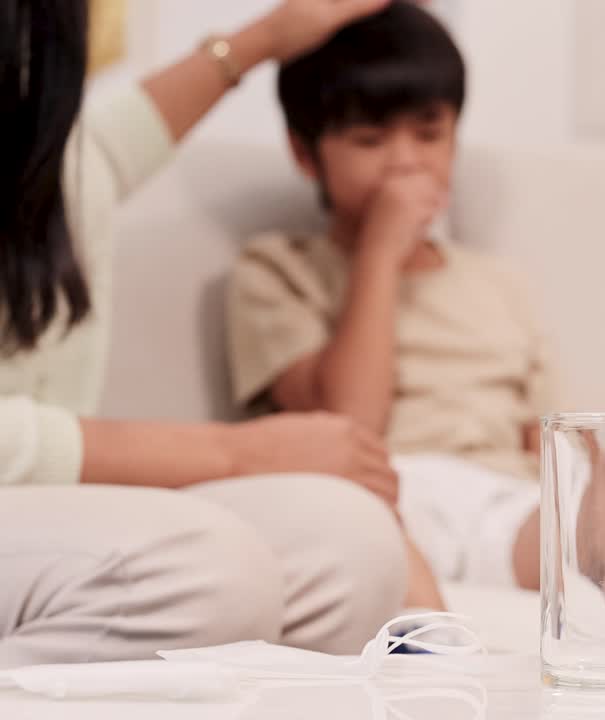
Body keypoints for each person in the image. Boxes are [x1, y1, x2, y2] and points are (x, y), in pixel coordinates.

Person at [226, 1, 605, 647]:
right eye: (369, 139)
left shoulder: (497, 284)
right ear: (306, 154)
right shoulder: (278, 269)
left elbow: (542, 434)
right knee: (364, 523)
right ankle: (438, 653)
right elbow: (347, 421)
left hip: (502, 499)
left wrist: (576, 490)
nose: (405, 162)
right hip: (381, 487)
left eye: (428, 133)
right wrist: (380, 255)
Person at [0, 0, 411, 669]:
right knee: (207, 567)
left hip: (38, 518)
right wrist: (233, 452)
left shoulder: (55, 162)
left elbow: (105, 146)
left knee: (349, 542)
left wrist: (273, 34)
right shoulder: (278, 272)